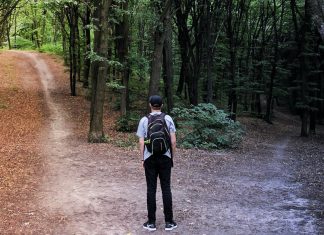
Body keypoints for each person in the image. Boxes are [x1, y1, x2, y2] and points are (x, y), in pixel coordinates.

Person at [136, 95, 177, 231]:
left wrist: (142, 158)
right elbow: (173, 141)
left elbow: (142, 142)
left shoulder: (144, 120)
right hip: (165, 157)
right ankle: (169, 222)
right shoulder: (168, 118)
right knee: (166, 188)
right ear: (162, 105)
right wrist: (172, 157)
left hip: (150, 158)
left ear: (150, 105)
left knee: (151, 189)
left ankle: (151, 222)